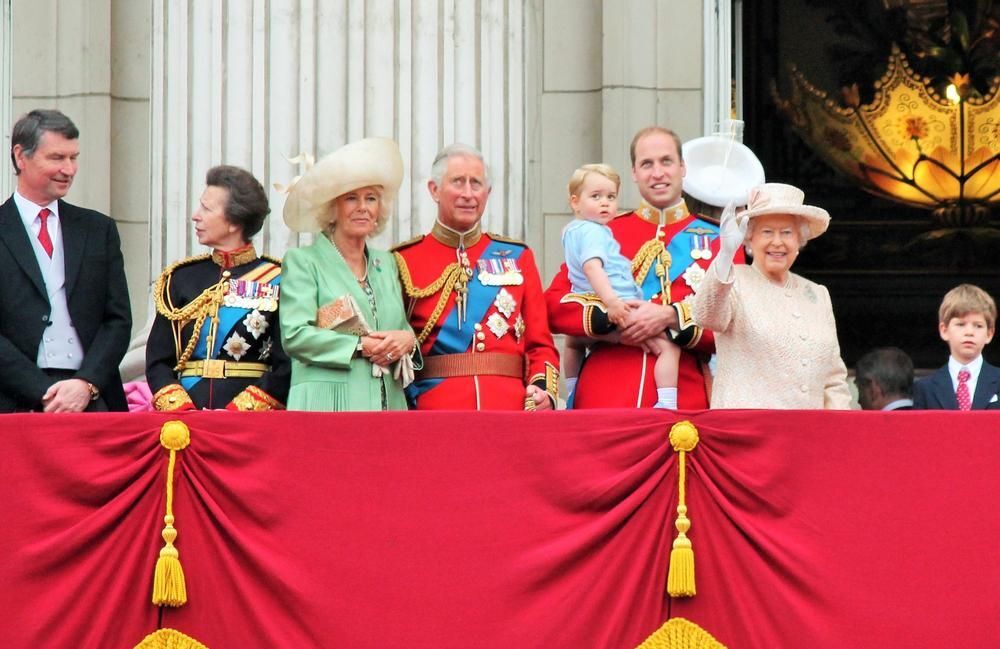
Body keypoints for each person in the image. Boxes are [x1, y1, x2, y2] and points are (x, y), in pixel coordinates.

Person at [545, 127, 746, 409]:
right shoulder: (603, 231)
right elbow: (554, 305)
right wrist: (614, 320)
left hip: (684, 400)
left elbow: (737, 324)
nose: (657, 173)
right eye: (647, 164)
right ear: (634, 173)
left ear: (682, 168)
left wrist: (671, 317)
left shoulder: (719, 240)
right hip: (604, 396)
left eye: (666, 161)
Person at [393, 143, 560, 410]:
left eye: (476, 183)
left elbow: (541, 345)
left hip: (509, 408)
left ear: (487, 192)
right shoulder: (404, 260)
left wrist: (542, 391)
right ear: (434, 190)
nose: (468, 194)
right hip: (433, 410)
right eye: (458, 182)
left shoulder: (519, 256)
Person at [0, 109, 131, 412]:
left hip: (91, 398)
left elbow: (118, 319)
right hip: (11, 401)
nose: (69, 169)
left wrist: (87, 383)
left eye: (74, 158)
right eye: (57, 158)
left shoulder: (98, 229)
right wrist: (42, 391)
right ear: (20, 156)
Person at [280, 138, 416, 411]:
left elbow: (400, 325)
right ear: (332, 208)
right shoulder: (304, 261)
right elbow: (295, 335)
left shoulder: (386, 262)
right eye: (351, 198)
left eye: (371, 198)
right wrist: (360, 346)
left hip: (387, 403)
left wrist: (408, 340)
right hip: (327, 403)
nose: (363, 207)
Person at [692, 183, 852, 409]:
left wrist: (839, 425)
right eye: (767, 232)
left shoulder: (817, 294)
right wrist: (725, 255)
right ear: (749, 239)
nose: (777, 242)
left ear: (799, 240)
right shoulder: (732, 281)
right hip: (748, 427)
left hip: (808, 429)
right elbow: (706, 316)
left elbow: (833, 379)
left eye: (787, 233)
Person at [146, 165, 290, 411]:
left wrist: (241, 410)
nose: (195, 216)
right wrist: (180, 407)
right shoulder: (181, 277)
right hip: (187, 413)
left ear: (234, 221)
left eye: (206, 208)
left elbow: (285, 364)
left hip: (250, 416)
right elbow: (158, 360)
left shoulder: (278, 278)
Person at [560, 163, 680, 409]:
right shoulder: (594, 232)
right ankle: (668, 402)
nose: (605, 203)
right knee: (668, 347)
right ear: (575, 202)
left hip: (586, 304)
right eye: (596, 197)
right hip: (617, 303)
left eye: (611, 197)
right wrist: (613, 303)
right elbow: (592, 268)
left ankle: (572, 390)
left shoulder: (572, 230)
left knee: (573, 343)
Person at [913, 284, 1000, 410]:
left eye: (978, 326)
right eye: (960, 324)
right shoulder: (925, 388)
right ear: (944, 330)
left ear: (989, 334)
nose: (969, 332)